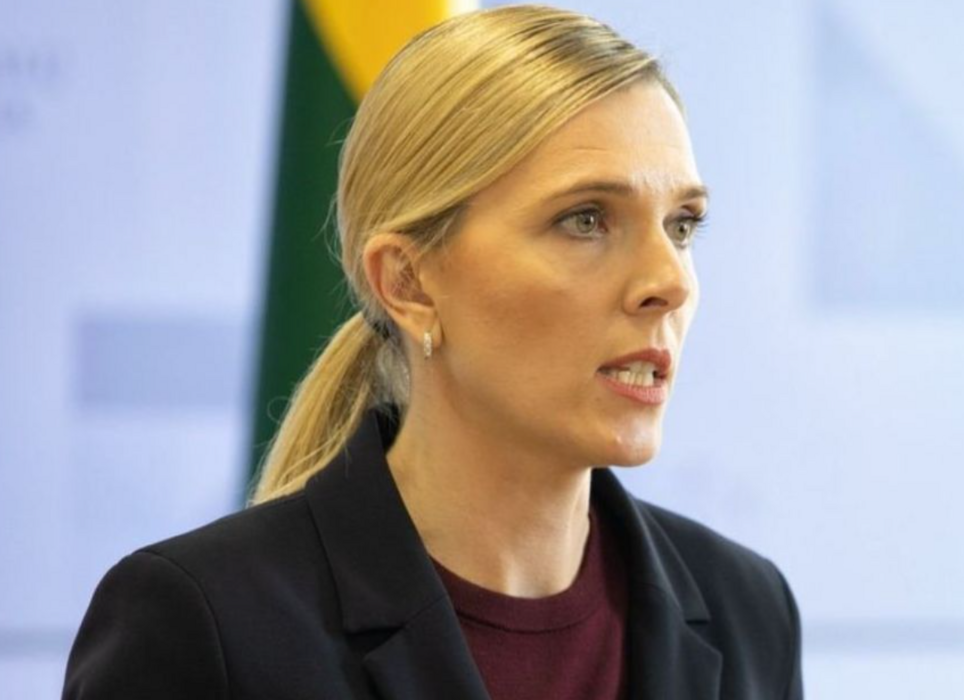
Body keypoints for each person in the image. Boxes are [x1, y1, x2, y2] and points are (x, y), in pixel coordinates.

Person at [62, 5, 802, 699]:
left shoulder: (747, 609)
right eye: (585, 220)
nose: (670, 283)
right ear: (408, 283)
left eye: (682, 225)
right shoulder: (203, 622)